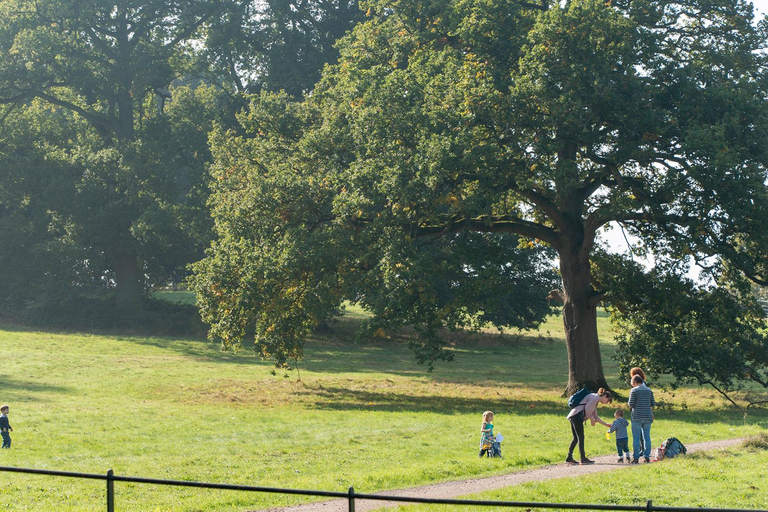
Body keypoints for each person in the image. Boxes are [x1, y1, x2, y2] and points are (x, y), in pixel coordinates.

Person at [566, 388, 613, 465]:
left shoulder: (595, 399)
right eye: (607, 401)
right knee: (580, 437)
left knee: (576, 438)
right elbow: (588, 410)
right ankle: (583, 458)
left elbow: (596, 417)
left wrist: (606, 424)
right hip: (576, 416)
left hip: (573, 416)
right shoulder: (594, 398)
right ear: (605, 396)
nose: (606, 403)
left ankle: (569, 457)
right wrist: (591, 419)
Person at [628, 374, 656, 463]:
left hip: (637, 416)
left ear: (635, 382)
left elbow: (630, 403)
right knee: (647, 437)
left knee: (636, 437)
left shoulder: (634, 390)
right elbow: (653, 403)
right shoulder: (649, 390)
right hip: (647, 415)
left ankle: (636, 457)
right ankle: (646, 456)